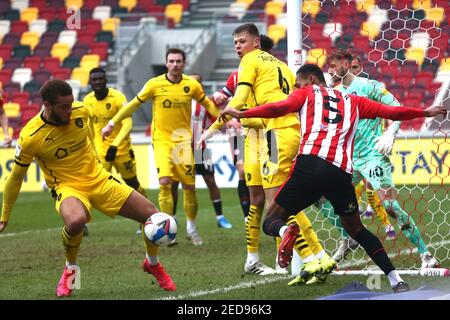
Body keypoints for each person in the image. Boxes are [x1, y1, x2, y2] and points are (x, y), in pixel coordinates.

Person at [218, 63, 446, 291]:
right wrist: (425, 112)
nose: (295, 88)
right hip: (340, 173)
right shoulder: (354, 101)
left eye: (298, 84)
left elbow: (279, 108)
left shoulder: (306, 93)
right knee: (358, 230)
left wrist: (242, 113)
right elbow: (392, 112)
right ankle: (397, 281)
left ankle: (286, 232)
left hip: (310, 165)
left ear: (310, 81)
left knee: (271, 220)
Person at [0, 80, 176, 297]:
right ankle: (71, 270)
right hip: (67, 186)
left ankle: (152, 264)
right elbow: (15, 178)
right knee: (76, 222)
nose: (69, 111)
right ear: (47, 104)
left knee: (153, 216)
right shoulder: (30, 137)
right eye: (64, 107)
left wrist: (98, 162)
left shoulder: (81, 111)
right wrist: (5, 214)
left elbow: (90, 137)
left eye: (71, 104)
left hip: (99, 180)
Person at [202, 25, 335, 280]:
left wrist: (211, 130)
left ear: (256, 44)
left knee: (278, 202)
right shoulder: (280, 67)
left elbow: (235, 103)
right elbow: (228, 96)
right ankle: (254, 258)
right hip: (256, 135)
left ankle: (313, 257)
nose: (238, 47)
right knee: (259, 197)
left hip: (271, 134)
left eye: (242, 42)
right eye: (236, 43)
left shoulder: (251, 64)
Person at [323, 49, 439, 267]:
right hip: (347, 159)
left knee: (390, 205)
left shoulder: (370, 87)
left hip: (373, 157)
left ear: (346, 65)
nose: (329, 70)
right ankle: (347, 237)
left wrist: (390, 133)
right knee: (321, 197)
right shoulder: (334, 94)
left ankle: (426, 255)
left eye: (333, 65)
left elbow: (397, 109)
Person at [102, 48, 221, 246]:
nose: (175, 64)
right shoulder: (154, 84)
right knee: (165, 181)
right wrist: (112, 122)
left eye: (178, 61)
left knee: (189, 187)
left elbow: (209, 106)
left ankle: (192, 229)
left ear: (184, 64)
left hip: (183, 142)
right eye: (171, 61)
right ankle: (168, 228)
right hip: (162, 141)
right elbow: (133, 104)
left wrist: (226, 120)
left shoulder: (191, 85)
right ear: (166, 63)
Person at [84, 67, 147, 235]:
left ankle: (147, 217)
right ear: (90, 82)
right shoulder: (87, 101)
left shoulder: (118, 98)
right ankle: (83, 221)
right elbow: (89, 127)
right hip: (100, 151)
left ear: (106, 81)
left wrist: (115, 144)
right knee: (93, 185)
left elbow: (127, 124)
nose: (97, 82)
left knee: (132, 184)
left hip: (122, 149)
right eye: (94, 79)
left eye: (100, 79)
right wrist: (90, 147)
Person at [171, 73, 233, 229]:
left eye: (196, 82)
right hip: (180, 149)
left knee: (211, 181)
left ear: (200, 85)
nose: (193, 84)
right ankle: (172, 217)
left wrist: (210, 131)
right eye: (190, 81)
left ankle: (220, 217)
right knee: (174, 183)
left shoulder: (206, 103)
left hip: (201, 149)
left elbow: (216, 121)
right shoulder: (177, 100)